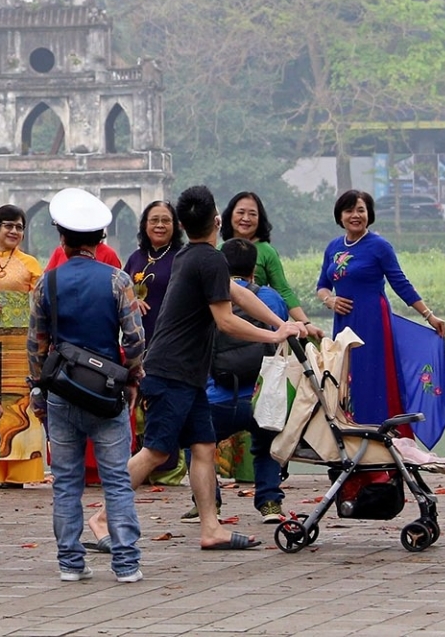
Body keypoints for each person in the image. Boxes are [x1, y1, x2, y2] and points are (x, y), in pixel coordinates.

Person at [123, 185, 310, 552]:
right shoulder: (205, 258)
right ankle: (103, 519)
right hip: (172, 372)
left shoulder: (193, 256)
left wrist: (280, 323)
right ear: (218, 221)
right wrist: (272, 338)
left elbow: (239, 294)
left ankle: (212, 527)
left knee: (204, 447)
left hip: (188, 376)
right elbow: (226, 321)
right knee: (157, 452)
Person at [30, 187, 145, 584]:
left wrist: (38, 392)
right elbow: (135, 341)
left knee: (66, 481)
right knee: (116, 479)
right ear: (101, 239)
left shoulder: (46, 284)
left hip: (61, 392)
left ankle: (70, 564)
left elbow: (37, 347)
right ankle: (126, 564)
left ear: (61, 238)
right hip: (107, 394)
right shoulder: (118, 280)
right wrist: (131, 376)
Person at [315, 189, 445, 429]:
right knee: (345, 377)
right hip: (344, 324)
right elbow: (322, 286)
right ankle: (352, 434)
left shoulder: (379, 246)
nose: (355, 215)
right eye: (349, 210)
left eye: (361, 210)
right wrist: (330, 301)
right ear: (340, 216)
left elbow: (401, 284)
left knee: (372, 376)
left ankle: (380, 435)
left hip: (373, 322)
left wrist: (429, 315)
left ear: (369, 214)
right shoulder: (333, 247)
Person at [205, 239, 289, 522]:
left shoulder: (211, 297)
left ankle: (207, 504)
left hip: (218, 394)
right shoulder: (271, 298)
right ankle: (269, 504)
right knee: (265, 446)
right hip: (260, 394)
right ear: (254, 268)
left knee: (198, 443)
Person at [0, 204, 46, 488]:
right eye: (8, 226)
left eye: (19, 227)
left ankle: (19, 472)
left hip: (20, 344)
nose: (14, 231)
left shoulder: (30, 263)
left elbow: (41, 304)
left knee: (20, 405)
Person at [220, 192, 307, 324]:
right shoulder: (218, 250)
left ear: (260, 219)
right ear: (230, 215)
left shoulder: (267, 252)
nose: (246, 218)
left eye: (253, 214)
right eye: (241, 212)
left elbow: (283, 290)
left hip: (258, 321)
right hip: (224, 321)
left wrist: (305, 322)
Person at [125, 200, 177, 341]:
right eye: (154, 220)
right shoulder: (135, 258)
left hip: (171, 338)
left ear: (175, 225)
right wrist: (132, 300)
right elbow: (121, 291)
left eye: (165, 221)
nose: (160, 225)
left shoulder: (182, 258)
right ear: (145, 224)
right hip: (138, 338)